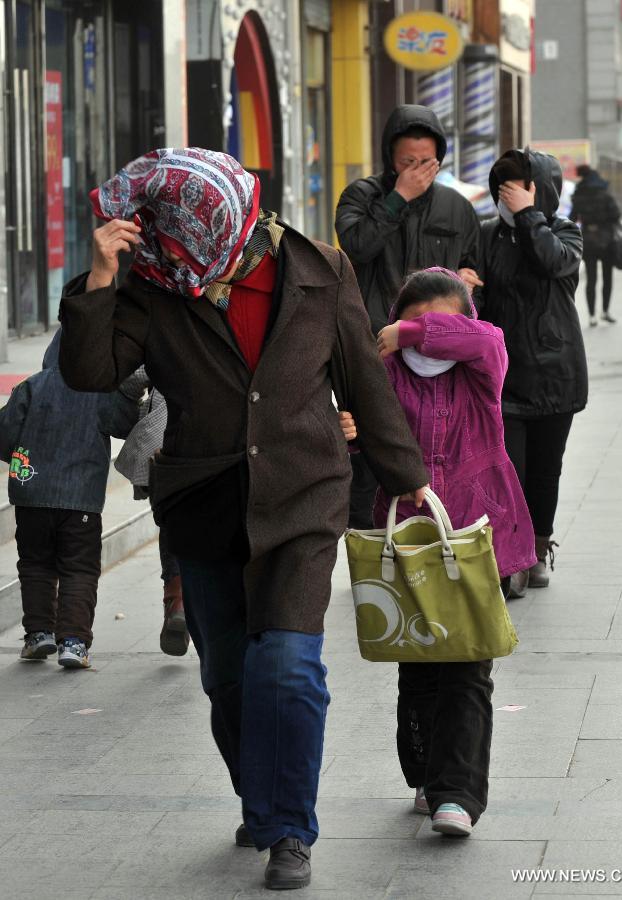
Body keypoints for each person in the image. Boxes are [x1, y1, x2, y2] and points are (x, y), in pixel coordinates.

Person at [57, 148, 429, 891]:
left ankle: (288, 829)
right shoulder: (156, 283)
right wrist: (100, 276)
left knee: (286, 670)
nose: (179, 252)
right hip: (202, 502)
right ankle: (262, 800)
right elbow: (88, 373)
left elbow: (362, 374)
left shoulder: (321, 269)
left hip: (303, 496)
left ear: (229, 220)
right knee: (227, 679)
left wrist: (409, 480)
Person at [352, 267, 534, 836]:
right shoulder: (380, 372)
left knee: (468, 663)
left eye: (442, 323)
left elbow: (487, 338)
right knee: (420, 663)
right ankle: (428, 777)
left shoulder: (482, 370)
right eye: (416, 319)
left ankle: (458, 794)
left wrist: (410, 332)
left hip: (476, 536)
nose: (430, 335)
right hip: (408, 536)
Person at [335, 104, 481, 530]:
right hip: (373, 350)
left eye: (427, 163)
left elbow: (473, 266)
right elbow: (356, 245)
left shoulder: (456, 207)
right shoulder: (361, 196)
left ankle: (434, 546)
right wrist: (399, 198)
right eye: (407, 162)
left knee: (435, 454)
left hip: (439, 358)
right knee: (367, 455)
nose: (418, 170)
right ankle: (371, 551)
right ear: (389, 157)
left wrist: (470, 282)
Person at [477, 148, 588, 589]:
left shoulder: (565, 233)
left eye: (518, 188)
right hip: (502, 375)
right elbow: (478, 301)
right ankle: (511, 555)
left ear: (539, 191)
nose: (509, 199)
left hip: (554, 374)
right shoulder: (486, 236)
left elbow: (551, 262)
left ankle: (537, 550)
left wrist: (528, 216)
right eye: (503, 190)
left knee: (545, 470)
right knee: (507, 470)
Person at [0, 330, 140, 668]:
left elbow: (4, 436)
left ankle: (37, 635)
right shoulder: (100, 391)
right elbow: (125, 423)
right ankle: (74, 643)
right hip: (81, 501)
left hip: (31, 496)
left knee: (35, 564)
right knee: (78, 568)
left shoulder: (31, 387)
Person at [114, 368, 189, 656]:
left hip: (163, 444)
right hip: (220, 443)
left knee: (171, 521)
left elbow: (131, 377)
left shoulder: (168, 324)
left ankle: (176, 601)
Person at [570, 165, 622, 326]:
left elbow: (572, 218)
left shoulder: (578, 194)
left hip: (588, 239)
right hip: (606, 239)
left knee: (591, 278)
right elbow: (616, 215)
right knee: (607, 277)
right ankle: (605, 312)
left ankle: (592, 315)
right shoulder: (604, 193)